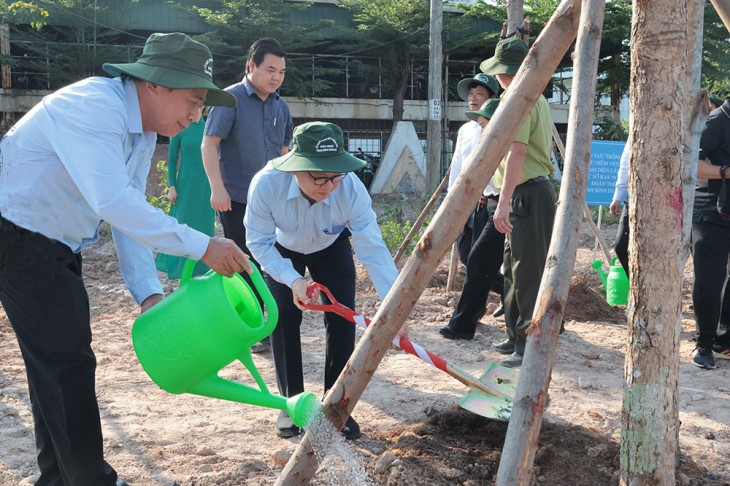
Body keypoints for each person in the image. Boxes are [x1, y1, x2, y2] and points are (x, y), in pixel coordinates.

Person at [0, 33, 251, 486]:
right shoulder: (93, 108)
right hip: (19, 234)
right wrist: (205, 246)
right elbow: (113, 201)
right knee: (66, 362)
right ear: (155, 84)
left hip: (53, 242)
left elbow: (131, 211)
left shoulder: (140, 131)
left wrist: (149, 295)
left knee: (54, 363)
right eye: (193, 100)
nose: (196, 116)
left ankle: (57, 479)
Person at [244, 122, 401, 440]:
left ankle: (336, 407)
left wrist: (395, 305)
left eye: (335, 175)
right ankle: (292, 406)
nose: (329, 185)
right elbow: (258, 242)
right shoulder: (266, 184)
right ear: (296, 168)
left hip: (331, 248)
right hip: (282, 250)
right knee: (284, 318)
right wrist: (292, 280)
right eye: (319, 176)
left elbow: (373, 248)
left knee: (342, 318)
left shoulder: (351, 188)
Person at [203, 37, 293, 354]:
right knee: (242, 262)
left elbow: (285, 153)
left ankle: (269, 325)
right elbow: (210, 143)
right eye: (270, 69)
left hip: (272, 202)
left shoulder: (281, 106)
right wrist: (217, 188)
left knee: (271, 259)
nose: (276, 77)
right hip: (236, 197)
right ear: (251, 66)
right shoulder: (230, 100)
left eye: (281, 72)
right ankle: (250, 326)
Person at [479, 37, 557, 368]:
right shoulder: (525, 97)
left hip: (528, 192)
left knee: (527, 271)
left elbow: (518, 151)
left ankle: (527, 342)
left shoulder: (522, 99)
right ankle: (514, 334)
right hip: (525, 192)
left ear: (504, 73)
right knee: (511, 268)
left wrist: (503, 201)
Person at [440, 99, 507, 340]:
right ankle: (470, 319)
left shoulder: (510, 140)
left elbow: (511, 175)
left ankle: (462, 324)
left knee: (483, 260)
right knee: (474, 257)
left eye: (484, 124)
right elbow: (461, 165)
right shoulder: (474, 135)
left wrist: (503, 203)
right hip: (486, 202)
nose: (480, 128)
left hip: (507, 204)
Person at [691, 94, 730, 369]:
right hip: (710, 213)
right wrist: (727, 171)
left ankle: (723, 339)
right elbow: (693, 166)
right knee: (709, 280)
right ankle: (703, 344)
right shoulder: (716, 121)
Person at [155, 114, 215, 279]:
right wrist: (172, 186)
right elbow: (172, 160)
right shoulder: (180, 127)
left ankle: (202, 267)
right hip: (186, 181)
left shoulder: (211, 127)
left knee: (204, 223)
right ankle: (178, 266)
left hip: (207, 182)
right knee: (182, 221)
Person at [609, 141, 630, 275]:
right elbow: (626, 164)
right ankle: (637, 286)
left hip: (664, 203)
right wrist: (617, 197)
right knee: (621, 247)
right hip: (634, 198)